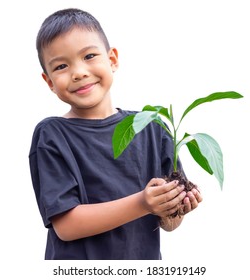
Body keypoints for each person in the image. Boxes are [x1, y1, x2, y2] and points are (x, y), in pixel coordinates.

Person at [29, 8, 203, 260]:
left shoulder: (151, 127)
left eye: (89, 55)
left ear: (112, 60)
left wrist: (174, 208)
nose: (78, 72)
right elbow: (66, 226)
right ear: (49, 82)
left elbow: (168, 224)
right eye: (62, 66)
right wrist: (143, 203)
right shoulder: (53, 134)